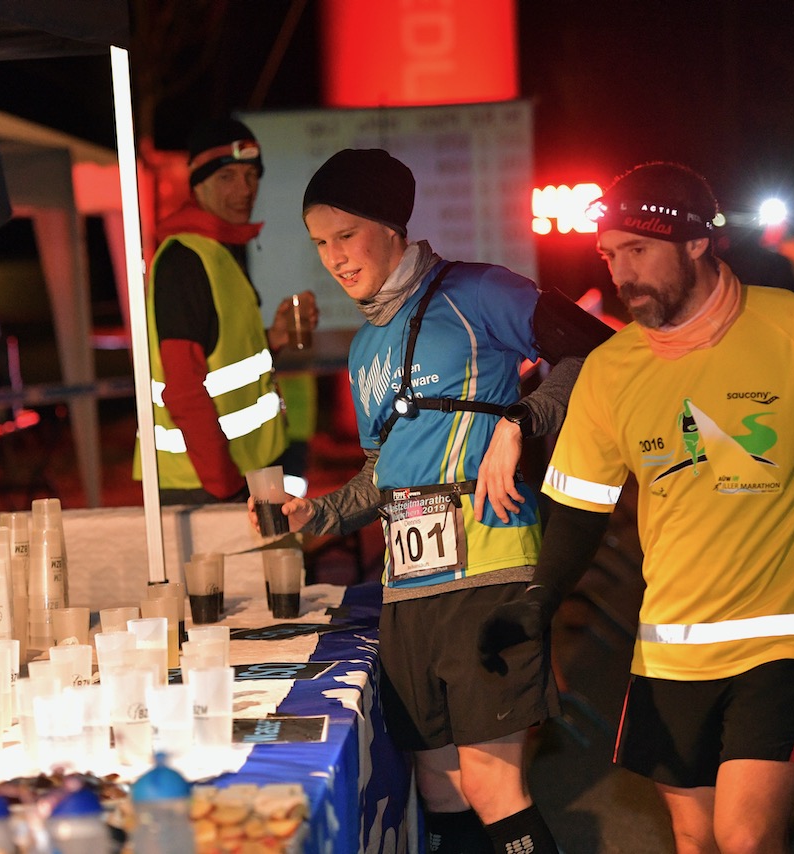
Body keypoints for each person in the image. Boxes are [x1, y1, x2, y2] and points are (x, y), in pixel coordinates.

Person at [479, 161, 794, 854]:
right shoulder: (613, 369)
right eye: (610, 255)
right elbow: (582, 510)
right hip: (671, 645)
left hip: (785, 630)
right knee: (695, 835)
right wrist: (539, 597)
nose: (622, 273)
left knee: (745, 836)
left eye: (638, 251)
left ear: (698, 243)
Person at [252, 148, 613, 853]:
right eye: (320, 243)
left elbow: (600, 353)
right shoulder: (363, 348)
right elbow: (380, 477)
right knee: (438, 788)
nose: (334, 258)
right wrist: (313, 517)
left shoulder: (478, 291)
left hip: (490, 566)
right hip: (409, 587)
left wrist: (520, 421)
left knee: (491, 786)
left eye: (347, 235)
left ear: (392, 227)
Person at [135, 117, 318, 504]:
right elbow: (183, 389)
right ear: (198, 183)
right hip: (206, 485)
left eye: (252, 176)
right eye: (227, 177)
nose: (244, 190)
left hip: (248, 473)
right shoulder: (185, 259)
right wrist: (226, 486)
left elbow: (226, 365)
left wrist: (274, 339)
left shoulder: (217, 249)